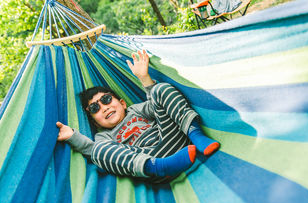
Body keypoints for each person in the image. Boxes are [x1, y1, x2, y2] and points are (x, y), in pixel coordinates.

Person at [56, 50, 219, 182]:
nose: (104, 107)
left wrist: (144, 78)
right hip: (149, 161)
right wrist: (72, 135)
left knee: (160, 90)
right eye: (94, 108)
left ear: (122, 103)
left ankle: (196, 134)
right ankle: (161, 166)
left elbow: (158, 104)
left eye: (106, 99)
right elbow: (91, 149)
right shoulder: (103, 136)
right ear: (95, 122)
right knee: (98, 151)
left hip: (174, 138)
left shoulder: (135, 110)